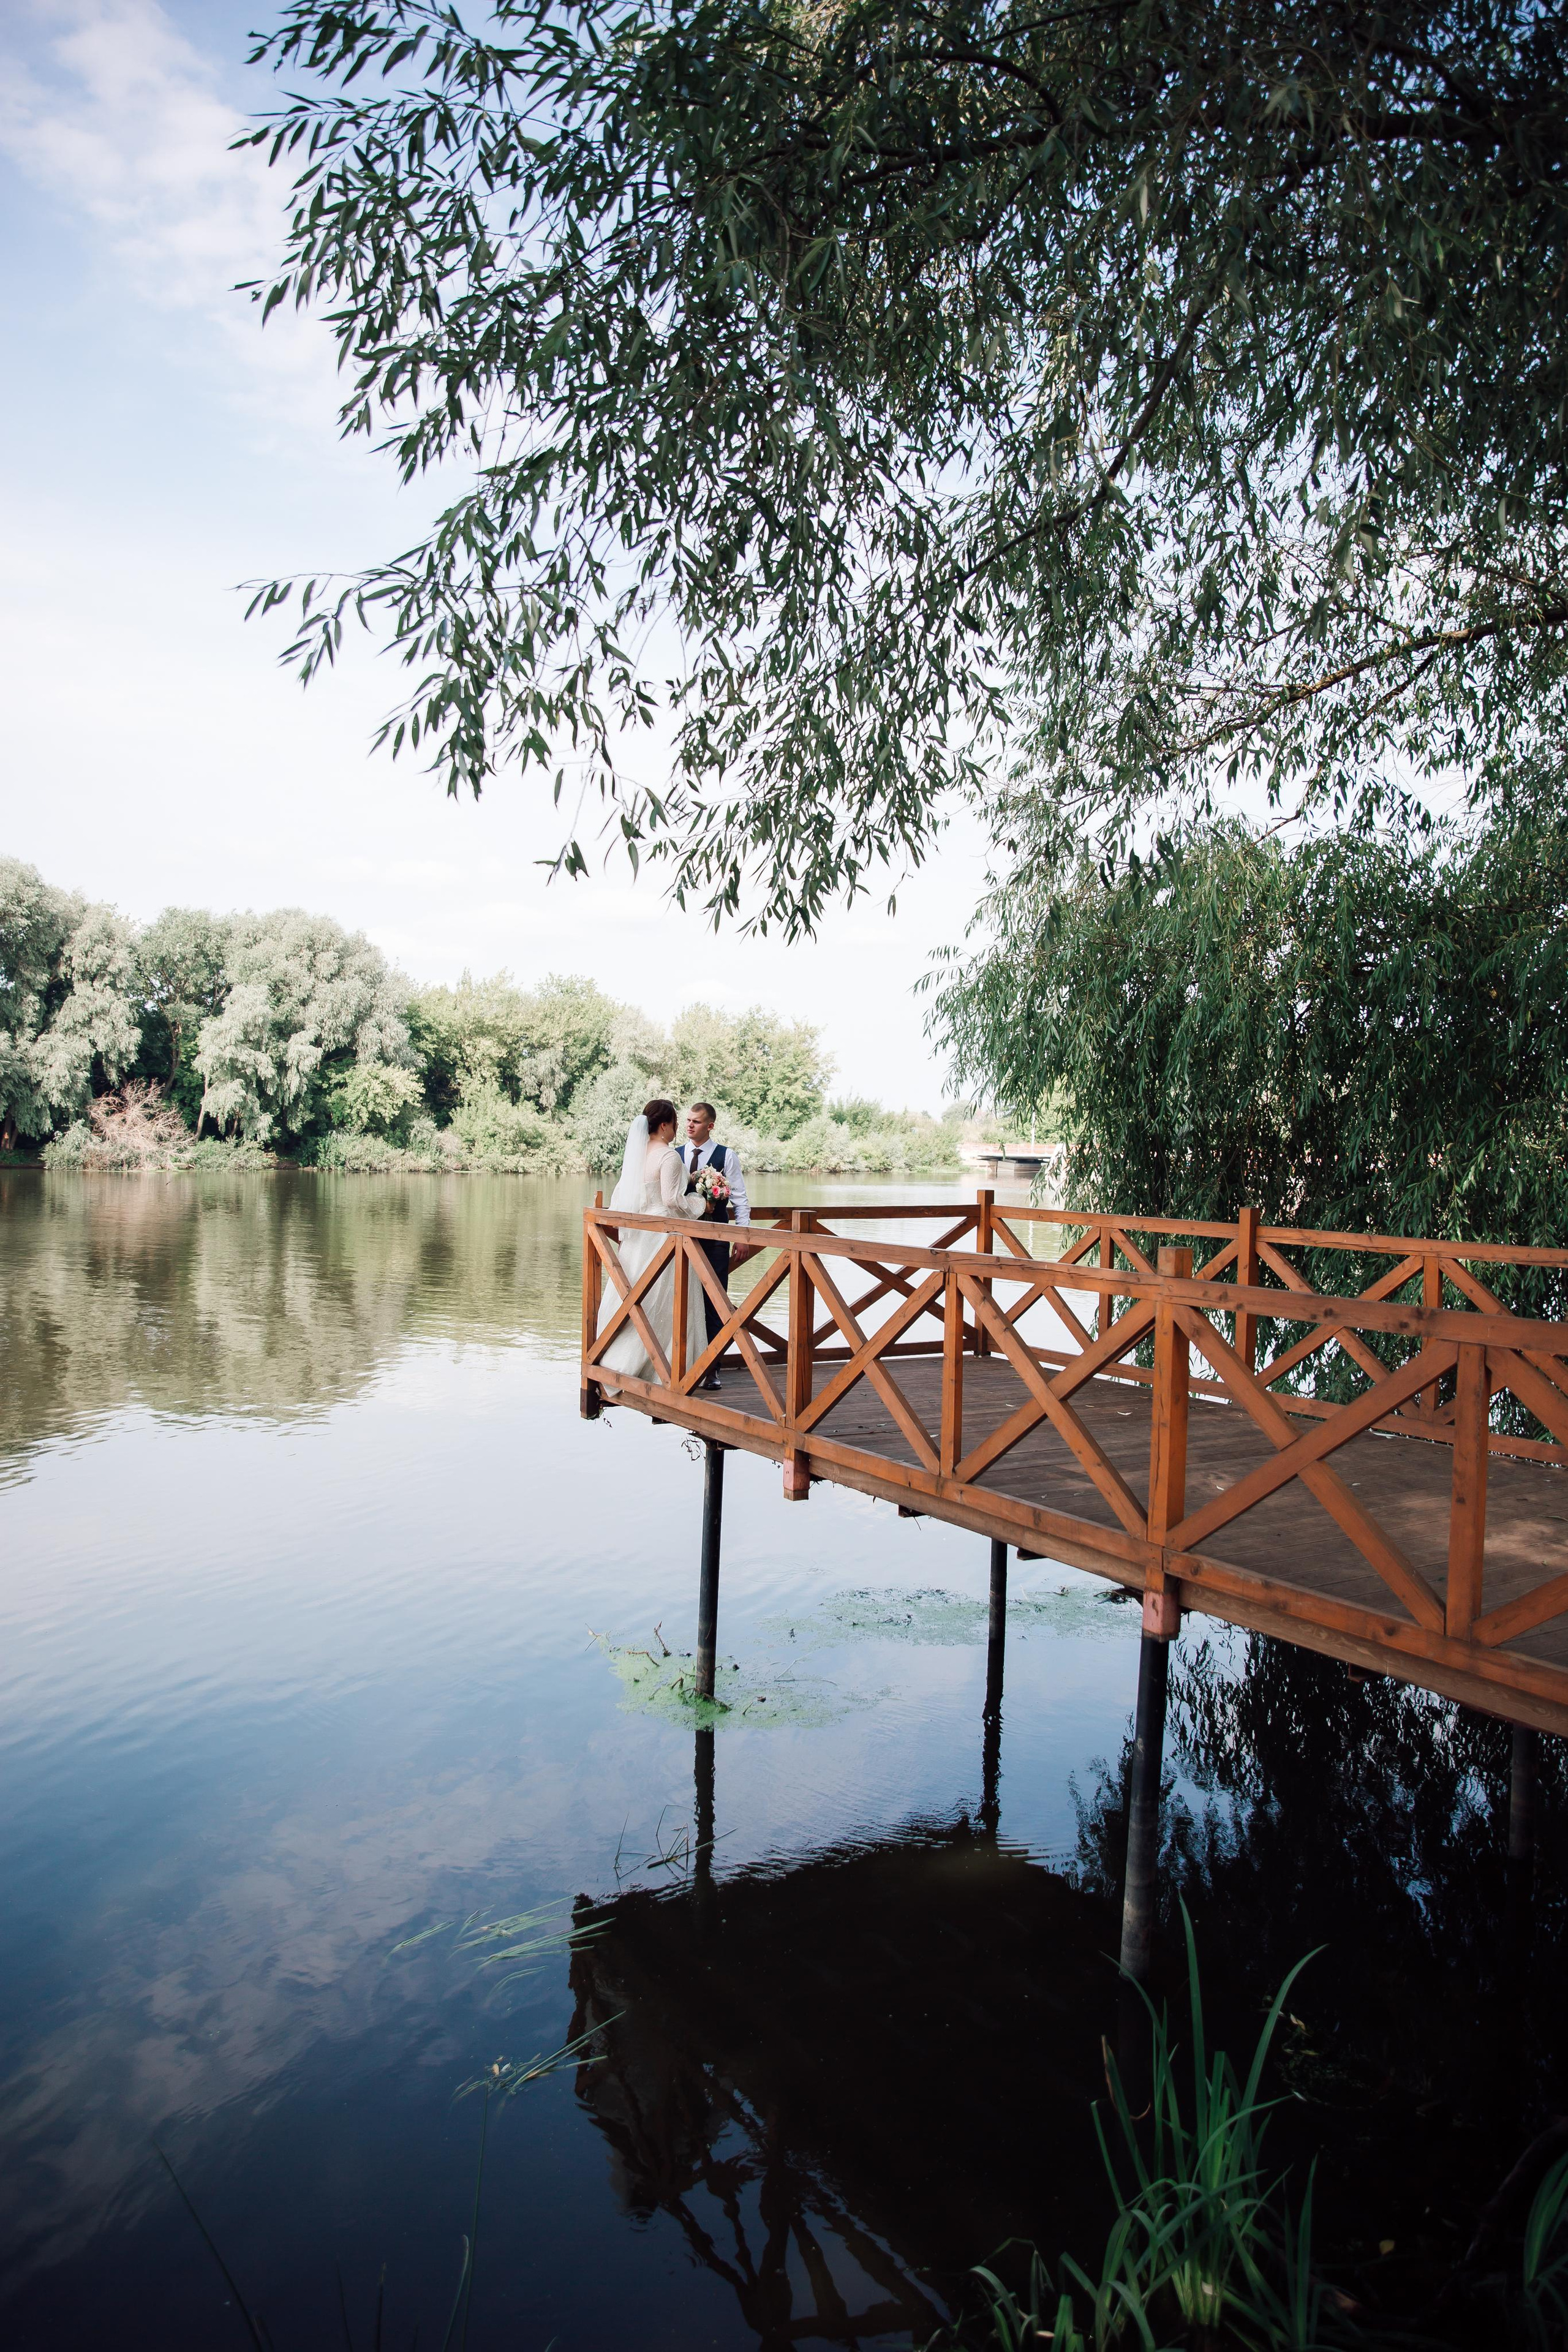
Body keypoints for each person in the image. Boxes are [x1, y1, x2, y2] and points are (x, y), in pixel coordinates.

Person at [597, 1100, 708, 1381]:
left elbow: (620, 1198)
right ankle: (669, 1371)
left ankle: (614, 1361)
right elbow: (672, 1201)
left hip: (637, 1240)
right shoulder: (668, 1157)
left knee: (638, 1300)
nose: (678, 1128)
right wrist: (698, 1204)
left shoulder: (636, 1157)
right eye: (675, 1123)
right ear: (664, 1125)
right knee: (667, 1303)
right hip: (664, 1240)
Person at [678, 1101, 753, 1392]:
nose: (690, 1125)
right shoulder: (675, 1155)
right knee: (682, 1299)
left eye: (696, 1122)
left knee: (714, 1302)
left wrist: (742, 1236)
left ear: (710, 1126)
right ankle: (682, 1364)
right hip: (682, 1238)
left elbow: (741, 1200)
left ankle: (712, 1368)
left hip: (716, 1241)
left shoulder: (726, 1156)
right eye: (688, 1121)